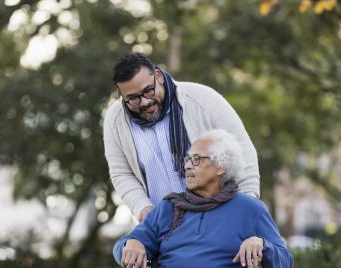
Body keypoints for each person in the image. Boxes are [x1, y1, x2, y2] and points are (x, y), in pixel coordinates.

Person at [113, 130, 293, 268]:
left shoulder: (250, 209)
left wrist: (261, 244)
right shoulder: (169, 207)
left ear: (221, 166)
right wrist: (131, 243)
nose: (187, 165)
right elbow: (124, 246)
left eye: (197, 159)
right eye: (188, 159)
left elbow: (284, 265)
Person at [104, 52, 259, 221]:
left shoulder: (203, 99)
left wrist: (248, 205)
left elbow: (242, 151)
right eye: (132, 98)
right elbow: (121, 173)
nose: (144, 102)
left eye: (148, 91)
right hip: (164, 229)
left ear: (158, 75)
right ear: (121, 95)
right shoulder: (115, 120)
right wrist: (144, 209)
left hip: (220, 219)